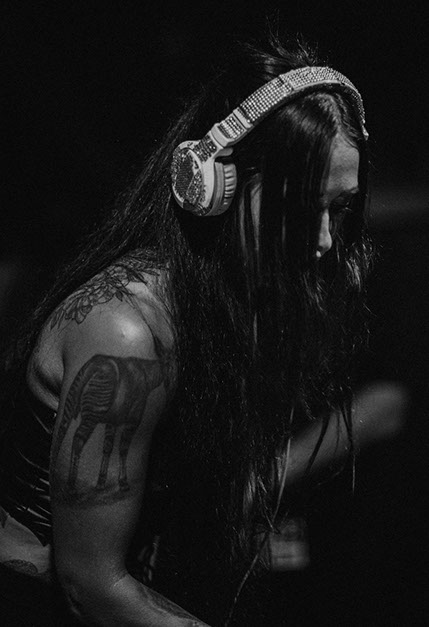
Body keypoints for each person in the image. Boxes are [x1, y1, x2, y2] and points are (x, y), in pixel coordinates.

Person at [0, 34, 376, 626]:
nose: (326, 240)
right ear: (211, 186)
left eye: (340, 208)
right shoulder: (125, 331)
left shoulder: (243, 306)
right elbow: (89, 584)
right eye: (301, 210)